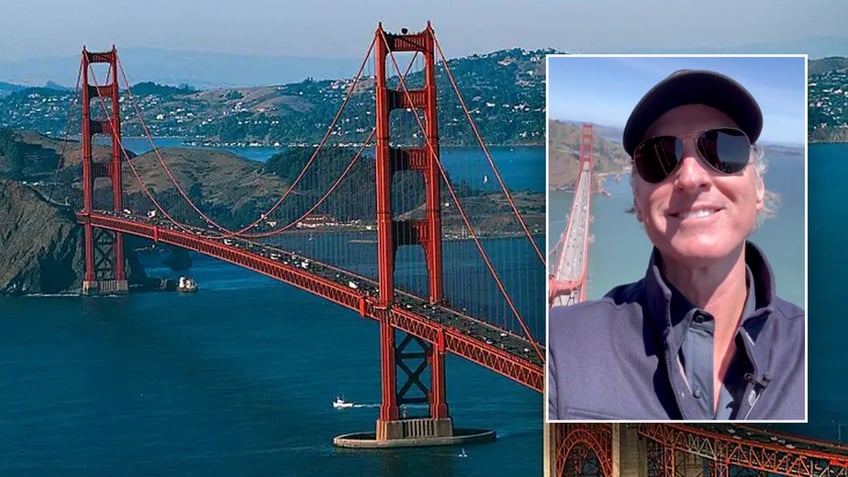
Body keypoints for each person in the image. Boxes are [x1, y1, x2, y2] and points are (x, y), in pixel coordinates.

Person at [547, 69, 805, 421]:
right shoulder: (561, 343)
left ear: (759, 188)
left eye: (722, 149)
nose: (690, 177)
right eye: (659, 157)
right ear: (638, 201)